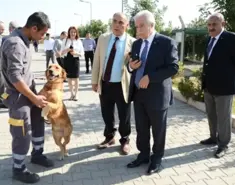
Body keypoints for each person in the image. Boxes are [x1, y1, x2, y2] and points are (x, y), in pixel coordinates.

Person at [0, 12, 54, 184]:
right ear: (33, 28)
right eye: (42, 34)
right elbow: (15, 77)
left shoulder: (25, 41)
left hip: (29, 93)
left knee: (38, 122)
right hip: (18, 97)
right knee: (22, 133)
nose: (43, 37)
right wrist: (34, 97)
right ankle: (18, 168)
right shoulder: (15, 43)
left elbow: (24, 72)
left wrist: (36, 94)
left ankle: (37, 154)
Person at [127, 10, 179, 175]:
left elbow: (173, 67)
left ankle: (156, 158)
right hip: (138, 94)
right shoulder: (136, 43)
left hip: (157, 95)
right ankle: (143, 155)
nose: (138, 29)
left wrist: (150, 77)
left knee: (158, 130)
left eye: (141, 26)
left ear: (151, 25)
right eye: (136, 26)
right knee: (141, 129)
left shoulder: (166, 43)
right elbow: (132, 67)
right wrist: (131, 67)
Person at [200, 13, 235, 158]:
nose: (211, 27)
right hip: (209, 86)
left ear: (223, 24)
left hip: (225, 87)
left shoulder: (232, 38)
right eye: (209, 25)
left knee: (223, 117)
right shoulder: (209, 39)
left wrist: (234, 82)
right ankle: (213, 138)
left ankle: (223, 144)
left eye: (214, 24)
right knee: (211, 115)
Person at [91, 12, 135, 155]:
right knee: (107, 114)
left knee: (124, 115)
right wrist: (94, 80)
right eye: (115, 21)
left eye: (121, 22)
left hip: (122, 86)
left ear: (127, 25)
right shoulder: (103, 39)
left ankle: (125, 140)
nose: (117, 25)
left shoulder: (133, 42)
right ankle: (109, 137)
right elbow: (96, 60)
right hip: (105, 83)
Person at [61, 26, 84, 101]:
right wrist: (67, 50)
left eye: (74, 32)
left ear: (76, 33)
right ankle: (71, 94)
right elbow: (61, 52)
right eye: (71, 32)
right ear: (69, 32)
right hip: (67, 60)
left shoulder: (79, 41)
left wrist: (75, 53)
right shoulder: (65, 40)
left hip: (75, 60)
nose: (73, 33)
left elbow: (82, 53)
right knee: (69, 78)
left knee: (76, 78)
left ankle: (76, 94)